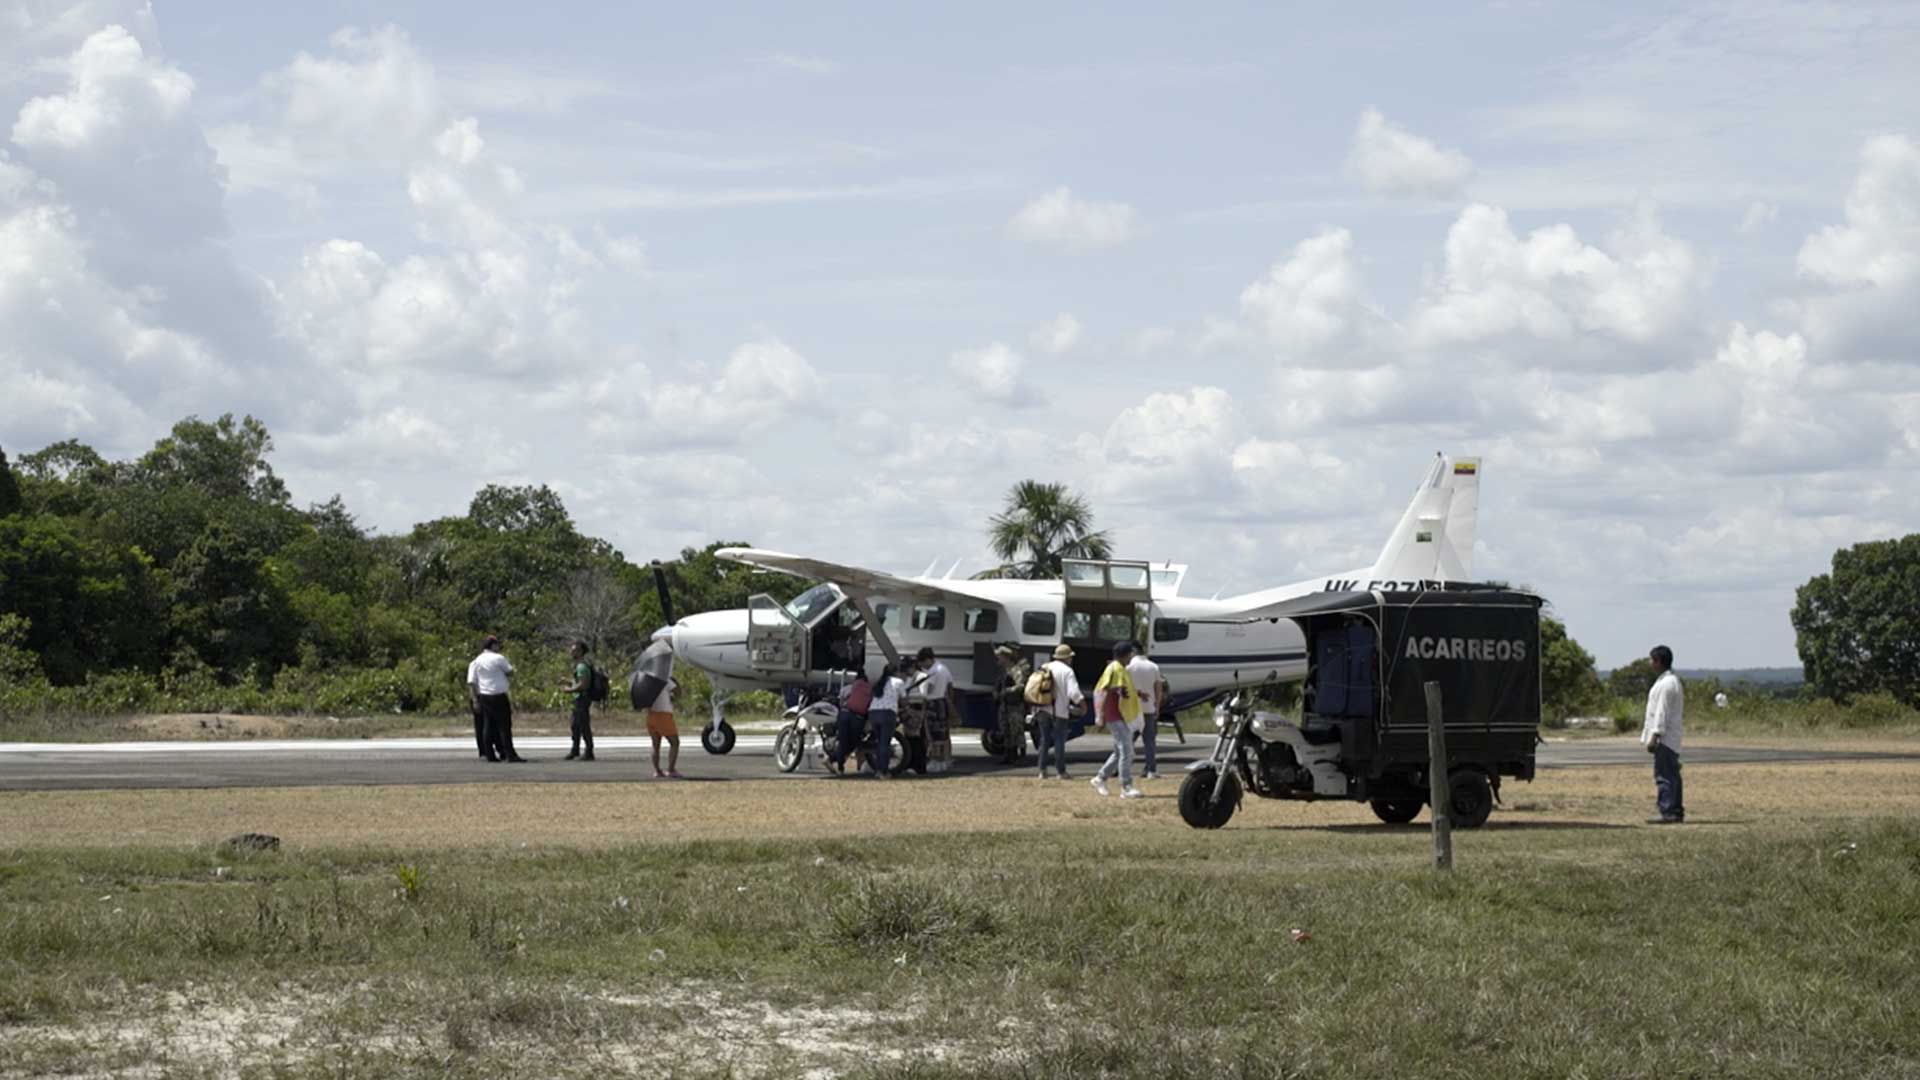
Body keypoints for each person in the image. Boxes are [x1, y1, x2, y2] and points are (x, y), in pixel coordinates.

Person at [1091, 641, 1143, 798]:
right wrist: (1100, 715)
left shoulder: (1120, 669)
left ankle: (1100, 778)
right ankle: (1126, 787)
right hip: (1115, 716)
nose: (1132, 657)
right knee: (1127, 751)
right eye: (1131, 654)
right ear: (1125, 654)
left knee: (1119, 751)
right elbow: (1104, 692)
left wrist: (1138, 694)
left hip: (1121, 715)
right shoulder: (1115, 669)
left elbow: (1120, 691)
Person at [1642, 644, 1685, 824]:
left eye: (1652, 660)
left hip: (1665, 738)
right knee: (1671, 774)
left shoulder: (1667, 684)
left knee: (1664, 775)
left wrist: (1655, 735)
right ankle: (1675, 810)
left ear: (1658, 661)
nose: (1650, 663)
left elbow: (1661, 712)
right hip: (1670, 737)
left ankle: (1668, 810)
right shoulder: (1669, 681)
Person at [466, 635, 524, 763]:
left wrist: (475, 699)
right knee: (504, 726)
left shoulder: (477, 660)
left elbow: (472, 682)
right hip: (498, 695)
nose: (498, 647)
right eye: (497, 644)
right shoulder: (498, 658)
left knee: (487, 725)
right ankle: (509, 754)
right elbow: (510, 671)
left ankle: (489, 754)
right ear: (492, 645)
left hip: (484, 695)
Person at [1036, 644, 1083, 780]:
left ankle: (1042, 771)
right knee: (1059, 741)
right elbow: (1074, 693)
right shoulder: (1067, 671)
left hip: (1042, 708)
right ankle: (1060, 772)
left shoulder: (1044, 667)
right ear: (1067, 657)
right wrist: (1083, 705)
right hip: (1060, 712)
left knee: (1044, 740)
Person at [914, 646, 956, 773]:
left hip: (932, 703)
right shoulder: (943, 668)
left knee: (932, 734)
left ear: (927, 660)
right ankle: (945, 761)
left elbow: (928, 690)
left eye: (922, 663)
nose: (922, 666)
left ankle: (935, 761)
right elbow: (950, 686)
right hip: (942, 702)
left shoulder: (932, 672)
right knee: (943, 733)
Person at [1126, 643, 1163, 780]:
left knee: (1128, 740)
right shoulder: (1153, 666)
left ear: (1132, 652)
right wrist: (1157, 706)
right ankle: (1151, 770)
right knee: (1149, 741)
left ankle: (1122, 768)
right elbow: (1158, 689)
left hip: (1132, 710)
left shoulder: (1129, 668)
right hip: (1148, 708)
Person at [993, 645, 1030, 764]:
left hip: (1015, 706)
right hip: (1004, 705)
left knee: (1017, 731)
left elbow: (1021, 686)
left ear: (1006, 657)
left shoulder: (1015, 670)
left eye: (1000, 656)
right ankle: (1009, 754)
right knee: (1006, 731)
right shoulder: (1004, 671)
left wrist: (1008, 690)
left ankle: (1022, 756)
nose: (998, 659)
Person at [868, 661, 905, 778]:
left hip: (873, 713)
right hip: (887, 713)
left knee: (880, 743)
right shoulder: (898, 682)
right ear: (896, 672)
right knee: (885, 743)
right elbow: (904, 699)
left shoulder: (879, 682)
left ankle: (878, 769)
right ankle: (883, 771)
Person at [560, 640, 595, 762]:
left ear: (580, 652)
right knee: (575, 725)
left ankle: (589, 751)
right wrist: (568, 681)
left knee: (583, 725)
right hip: (579, 699)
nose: (572, 652)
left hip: (582, 699)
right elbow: (579, 682)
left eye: (574, 650)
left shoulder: (581, 667)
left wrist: (569, 690)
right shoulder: (580, 665)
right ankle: (575, 749)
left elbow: (583, 685)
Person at [832, 670, 873, 773]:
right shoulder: (871, 688)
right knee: (853, 742)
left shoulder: (851, 687)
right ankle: (833, 760)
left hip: (844, 713)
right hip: (858, 717)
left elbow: (841, 702)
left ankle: (839, 766)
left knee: (843, 741)